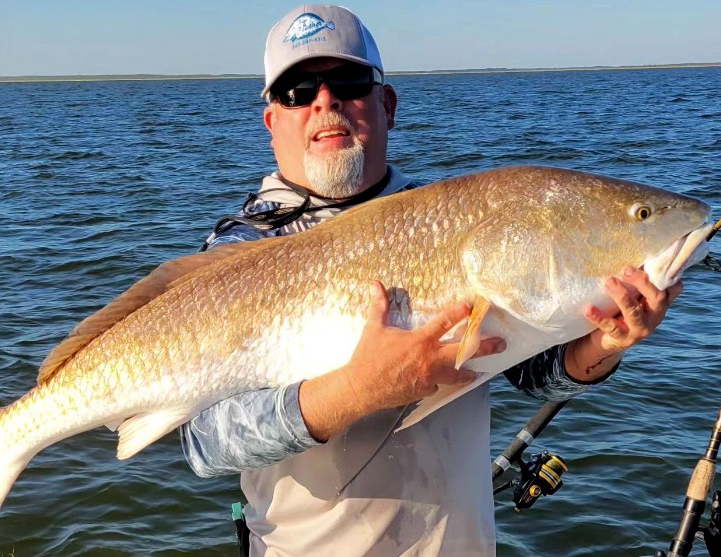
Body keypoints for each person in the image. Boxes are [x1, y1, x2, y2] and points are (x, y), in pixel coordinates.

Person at [180, 5, 682, 556]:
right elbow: (207, 442)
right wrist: (355, 390)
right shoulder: (240, 252)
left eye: (348, 82)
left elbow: (530, 370)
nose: (326, 102)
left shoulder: (452, 220)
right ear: (273, 121)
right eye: (298, 91)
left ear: (386, 105)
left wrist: (601, 346)